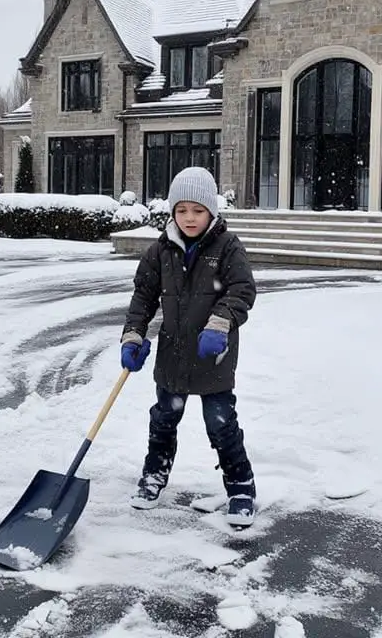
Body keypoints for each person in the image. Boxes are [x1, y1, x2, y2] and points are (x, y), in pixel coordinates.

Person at [120, 167, 257, 527]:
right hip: (174, 354)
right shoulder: (159, 251)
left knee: (221, 423)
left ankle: (241, 486)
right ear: (172, 212)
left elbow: (241, 290)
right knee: (163, 419)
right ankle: (154, 476)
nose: (189, 218)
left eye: (197, 210)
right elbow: (143, 297)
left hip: (214, 355)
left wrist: (220, 322)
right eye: (182, 210)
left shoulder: (227, 247)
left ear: (212, 210)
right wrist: (134, 335)